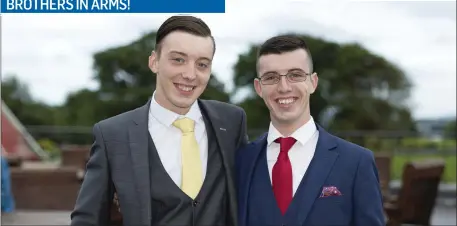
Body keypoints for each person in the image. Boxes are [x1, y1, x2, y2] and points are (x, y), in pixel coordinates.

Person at [71, 15, 248, 226]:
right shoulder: (112, 135)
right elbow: (88, 218)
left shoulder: (231, 122)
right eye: (178, 60)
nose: (190, 74)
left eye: (202, 64)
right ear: (154, 62)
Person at [235, 35, 385, 226]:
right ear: (258, 87)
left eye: (295, 75)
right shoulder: (241, 162)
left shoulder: (357, 163)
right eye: (271, 77)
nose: (284, 87)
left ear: (313, 82)